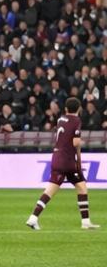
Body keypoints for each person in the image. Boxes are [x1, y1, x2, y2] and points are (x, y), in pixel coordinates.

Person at [26, 96, 99, 232]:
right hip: (67, 160)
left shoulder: (61, 119)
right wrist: (79, 150)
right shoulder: (76, 120)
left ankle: (33, 217)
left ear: (65, 109)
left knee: (52, 190)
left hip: (56, 157)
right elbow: (75, 142)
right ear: (79, 109)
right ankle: (85, 221)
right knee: (82, 188)